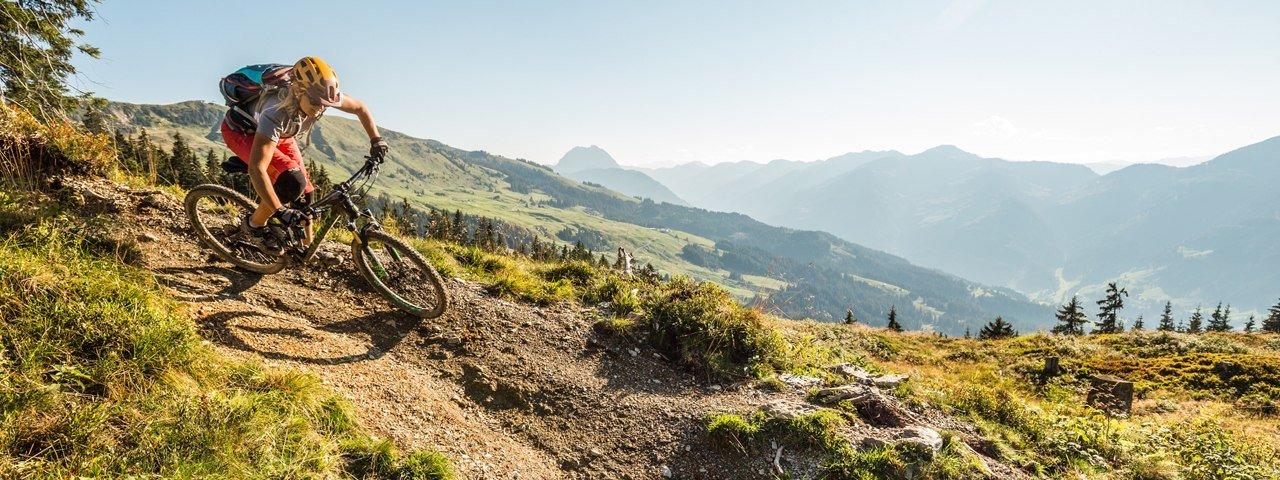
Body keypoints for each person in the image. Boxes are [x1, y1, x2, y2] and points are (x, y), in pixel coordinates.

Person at [219, 56, 389, 251]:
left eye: (326, 104)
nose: (320, 109)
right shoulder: (275, 112)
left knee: (306, 194)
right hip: (243, 133)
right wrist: (280, 211)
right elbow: (257, 168)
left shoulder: (322, 94)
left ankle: (308, 250)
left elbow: (359, 108)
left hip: (281, 135)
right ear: (299, 91)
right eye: (317, 103)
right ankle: (253, 226)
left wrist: (376, 140)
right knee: (293, 183)